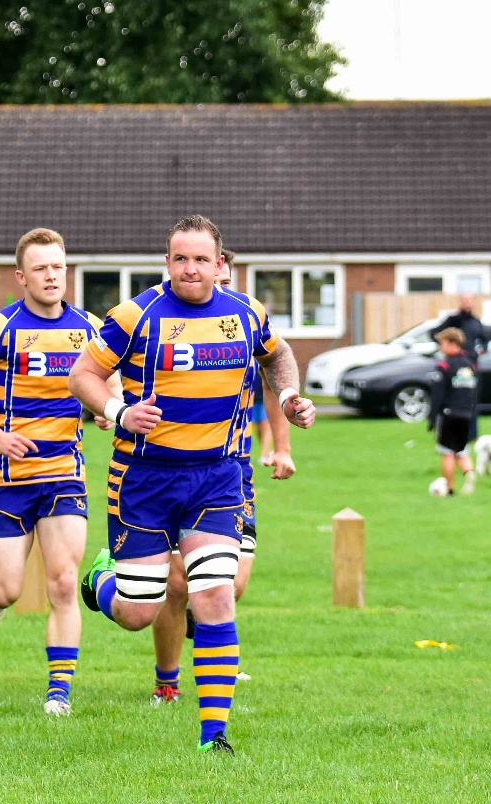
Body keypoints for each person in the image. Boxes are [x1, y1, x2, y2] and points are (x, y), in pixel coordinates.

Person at [71, 215, 315, 754]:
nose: (190, 268)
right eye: (180, 258)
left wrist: (292, 395)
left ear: (220, 265)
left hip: (218, 479)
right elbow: (82, 375)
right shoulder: (135, 315)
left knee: (215, 595)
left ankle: (214, 737)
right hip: (143, 480)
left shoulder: (247, 312)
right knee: (138, 611)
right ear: (167, 263)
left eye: (201, 259)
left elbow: (277, 355)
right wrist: (118, 408)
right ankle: (100, 583)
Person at [0, 228, 101, 715]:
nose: (52, 276)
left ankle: (59, 691)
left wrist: (104, 407)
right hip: (8, 479)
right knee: (7, 590)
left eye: (58, 266)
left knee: (61, 581)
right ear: (21, 277)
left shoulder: (90, 328)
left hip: (63, 474)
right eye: (41, 268)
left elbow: (107, 380)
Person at [149, 250, 295, 704]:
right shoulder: (161, 323)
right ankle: (168, 682)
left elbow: (273, 384)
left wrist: (282, 447)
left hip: (230, 471)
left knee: (231, 582)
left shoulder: (246, 323)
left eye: (226, 279)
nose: (220, 286)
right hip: (166, 471)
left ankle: (210, 644)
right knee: (176, 584)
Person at [428, 327, 478, 496]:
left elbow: (437, 394)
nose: (440, 347)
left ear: (452, 343)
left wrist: (432, 417)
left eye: (441, 343)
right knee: (461, 451)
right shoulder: (470, 365)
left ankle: (449, 489)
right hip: (466, 413)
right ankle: (469, 472)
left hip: (449, 414)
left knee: (447, 452)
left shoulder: (444, 365)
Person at [430, 293, 487, 362]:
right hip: (455, 360)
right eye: (465, 300)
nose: (467, 302)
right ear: (461, 302)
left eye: (469, 300)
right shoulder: (453, 320)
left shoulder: (476, 321)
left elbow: (484, 339)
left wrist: (481, 350)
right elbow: (434, 332)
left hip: (471, 359)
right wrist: (444, 346)